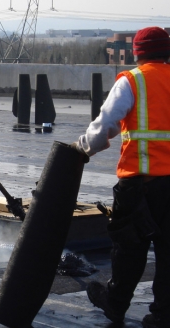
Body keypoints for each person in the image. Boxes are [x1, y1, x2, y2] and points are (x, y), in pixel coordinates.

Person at [72, 26, 170, 328]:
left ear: (136, 53)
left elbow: (106, 125)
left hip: (140, 182)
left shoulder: (133, 80)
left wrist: (81, 149)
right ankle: (163, 314)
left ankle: (115, 305)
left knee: (129, 248)